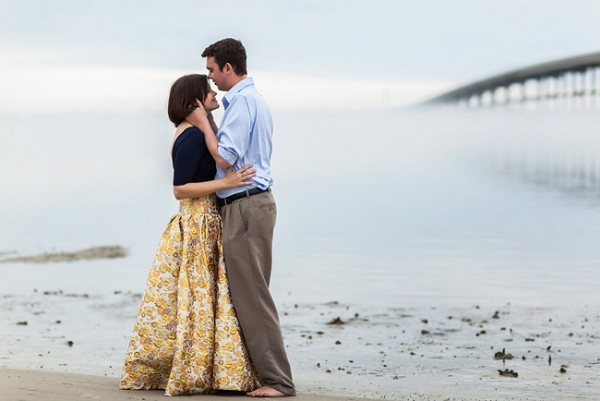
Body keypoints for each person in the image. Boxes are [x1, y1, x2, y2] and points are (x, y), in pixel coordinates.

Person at [119, 74, 261, 396]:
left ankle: (203, 367)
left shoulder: (192, 132)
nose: (213, 93)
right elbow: (180, 189)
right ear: (192, 101)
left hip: (199, 223)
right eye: (206, 91)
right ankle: (198, 370)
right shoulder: (192, 137)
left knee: (196, 300)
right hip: (198, 224)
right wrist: (226, 183)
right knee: (200, 300)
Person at [186, 38, 296, 397]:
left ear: (228, 68)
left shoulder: (241, 103)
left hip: (247, 206)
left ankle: (277, 382)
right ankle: (264, 375)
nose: (211, 79)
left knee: (253, 297)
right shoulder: (254, 100)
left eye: (213, 70)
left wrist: (204, 123)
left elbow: (225, 159)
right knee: (251, 294)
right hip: (252, 205)